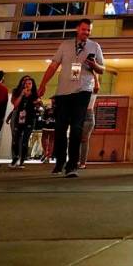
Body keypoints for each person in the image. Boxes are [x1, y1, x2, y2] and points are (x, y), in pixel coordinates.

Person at [37, 19, 106, 178]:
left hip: (83, 91)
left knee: (76, 129)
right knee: (60, 129)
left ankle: (72, 165)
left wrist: (94, 65)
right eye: (84, 29)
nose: (86, 33)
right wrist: (43, 84)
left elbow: (102, 69)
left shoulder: (95, 47)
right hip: (63, 92)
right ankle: (60, 162)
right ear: (77, 29)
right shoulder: (65, 45)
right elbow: (53, 65)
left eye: (89, 30)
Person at [8, 75, 39, 169]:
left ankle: (22, 160)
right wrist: (21, 95)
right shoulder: (19, 93)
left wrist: (36, 103)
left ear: (33, 85)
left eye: (29, 83)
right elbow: (15, 105)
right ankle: (15, 158)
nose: (27, 85)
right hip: (20, 118)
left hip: (30, 119)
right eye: (25, 83)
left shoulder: (34, 95)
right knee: (16, 139)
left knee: (25, 140)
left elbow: (38, 105)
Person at [79, 72, 100, 169]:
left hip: (88, 115)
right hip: (79, 114)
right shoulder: (80, 90)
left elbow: (97, 86)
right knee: (76, 139)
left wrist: (95, 75)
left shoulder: (93, 91)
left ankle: (82, 163)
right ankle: (75, 161)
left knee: (84, 139)